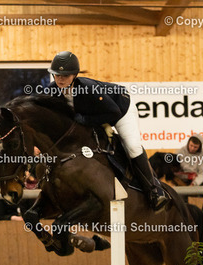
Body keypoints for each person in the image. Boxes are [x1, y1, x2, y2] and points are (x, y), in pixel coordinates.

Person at [47, 51, 168, 210]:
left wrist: (86, 120)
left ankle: (154, 190)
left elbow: (113, 112)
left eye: (65, 75)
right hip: (97, 115)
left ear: (74, 75)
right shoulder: (52, 91)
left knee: (132, 146)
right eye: (57, 75)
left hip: (120, 109)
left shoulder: (87, 88)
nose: (60, 79)